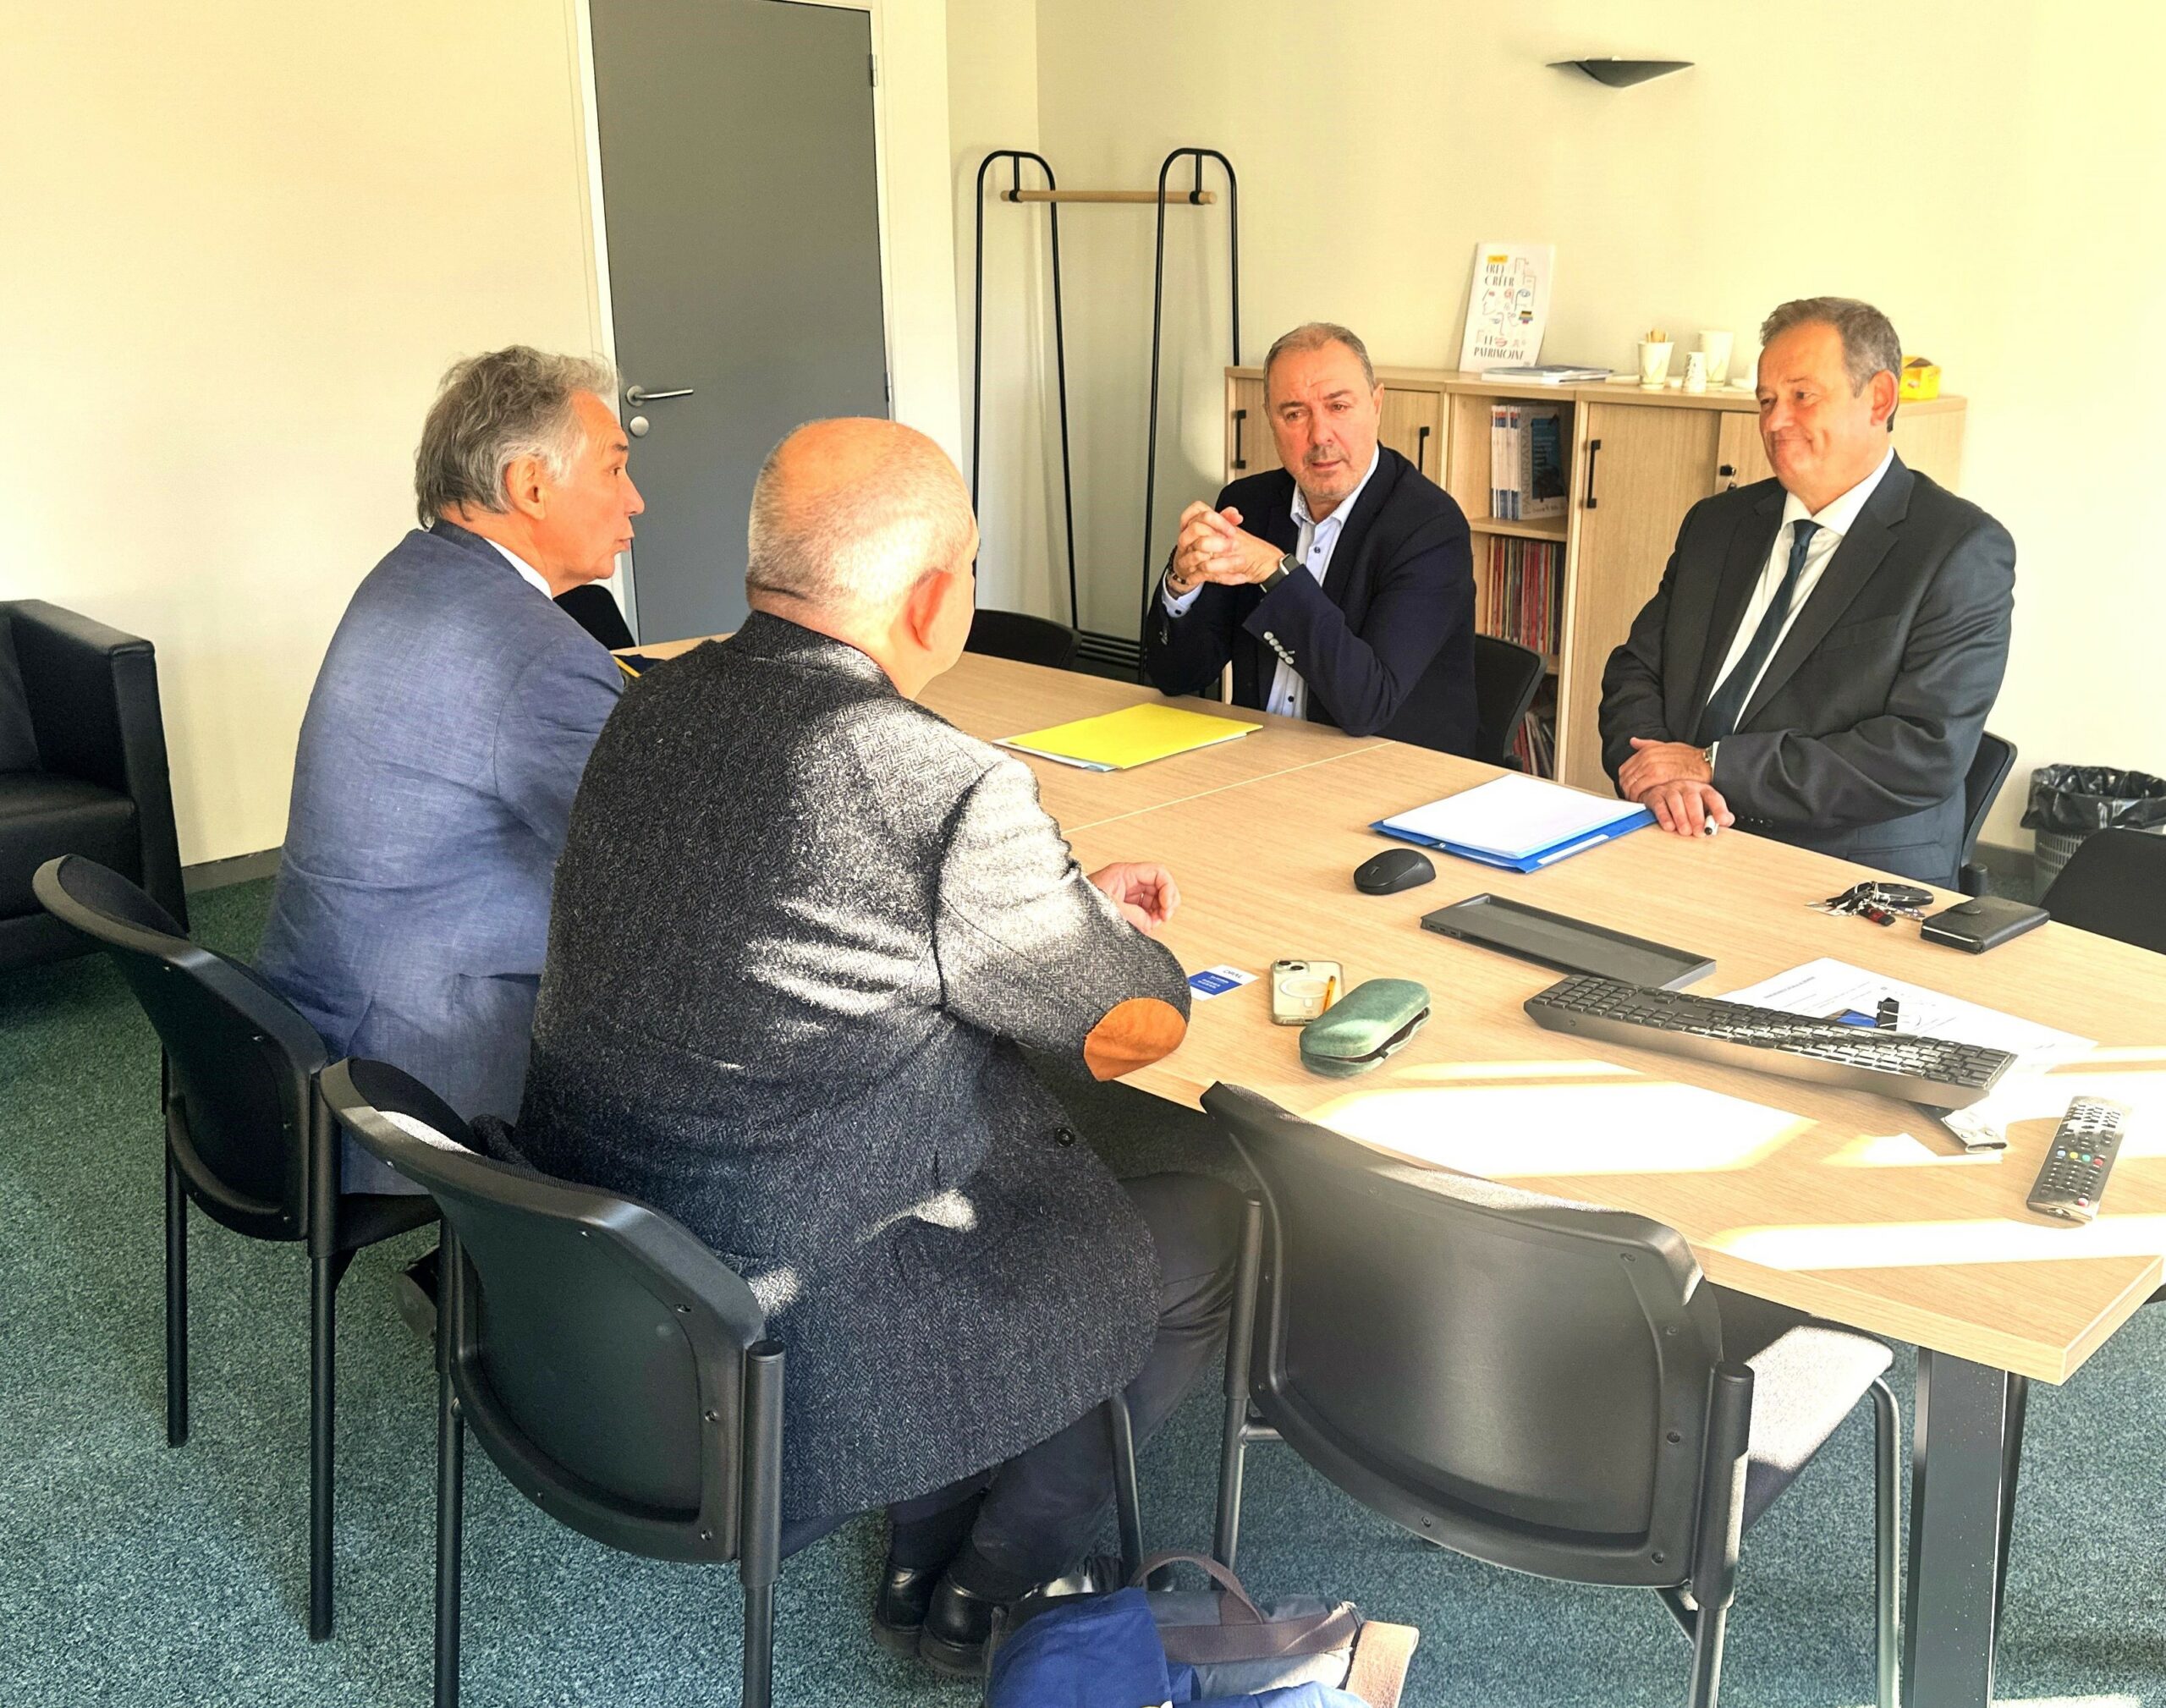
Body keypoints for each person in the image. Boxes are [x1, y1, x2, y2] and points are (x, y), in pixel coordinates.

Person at [509, 419, 1240, 1678]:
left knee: (949, 1141)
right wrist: (1101, 928)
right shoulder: (941, 783)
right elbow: (1129, 1028)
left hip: (612, 1282)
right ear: (934, 594)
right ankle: (992, 1577)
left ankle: (923, 1542)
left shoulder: (656, 698)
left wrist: (1037, 907)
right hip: (807, 1322)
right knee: (1205, 1224)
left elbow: (808, 919)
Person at [256, 347, 641, 1189]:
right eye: (615, 468)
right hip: (411, 1061)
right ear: (530, 485)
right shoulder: (534, 652)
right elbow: (651, 864)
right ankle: (583, 1285)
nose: (634, 499)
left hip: (324, 1007)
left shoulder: (408, 574)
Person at [1597, 297, 2015, 887]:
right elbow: (1635, 671)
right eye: (1766, 400)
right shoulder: (1719, 524)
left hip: (1843, 870)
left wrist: (1712, 767)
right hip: (1679, 836)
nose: (1774, 421)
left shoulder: (1958, 548)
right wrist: (1659, 773)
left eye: (1801, 396)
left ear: (1879, 399)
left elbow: (1922, 752)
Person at [1142, 321, 1477, 754]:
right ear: (1270, 419)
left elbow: (1367, 705)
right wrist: (1181, 583)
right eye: (1295, 413)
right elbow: (1176, 678)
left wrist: (1274, 572)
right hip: (1257, 764)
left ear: (1377, 405)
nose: (1320, 435)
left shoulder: (1430, 527)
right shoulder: (1249, 503)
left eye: (1338, 407)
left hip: (1387, 777)